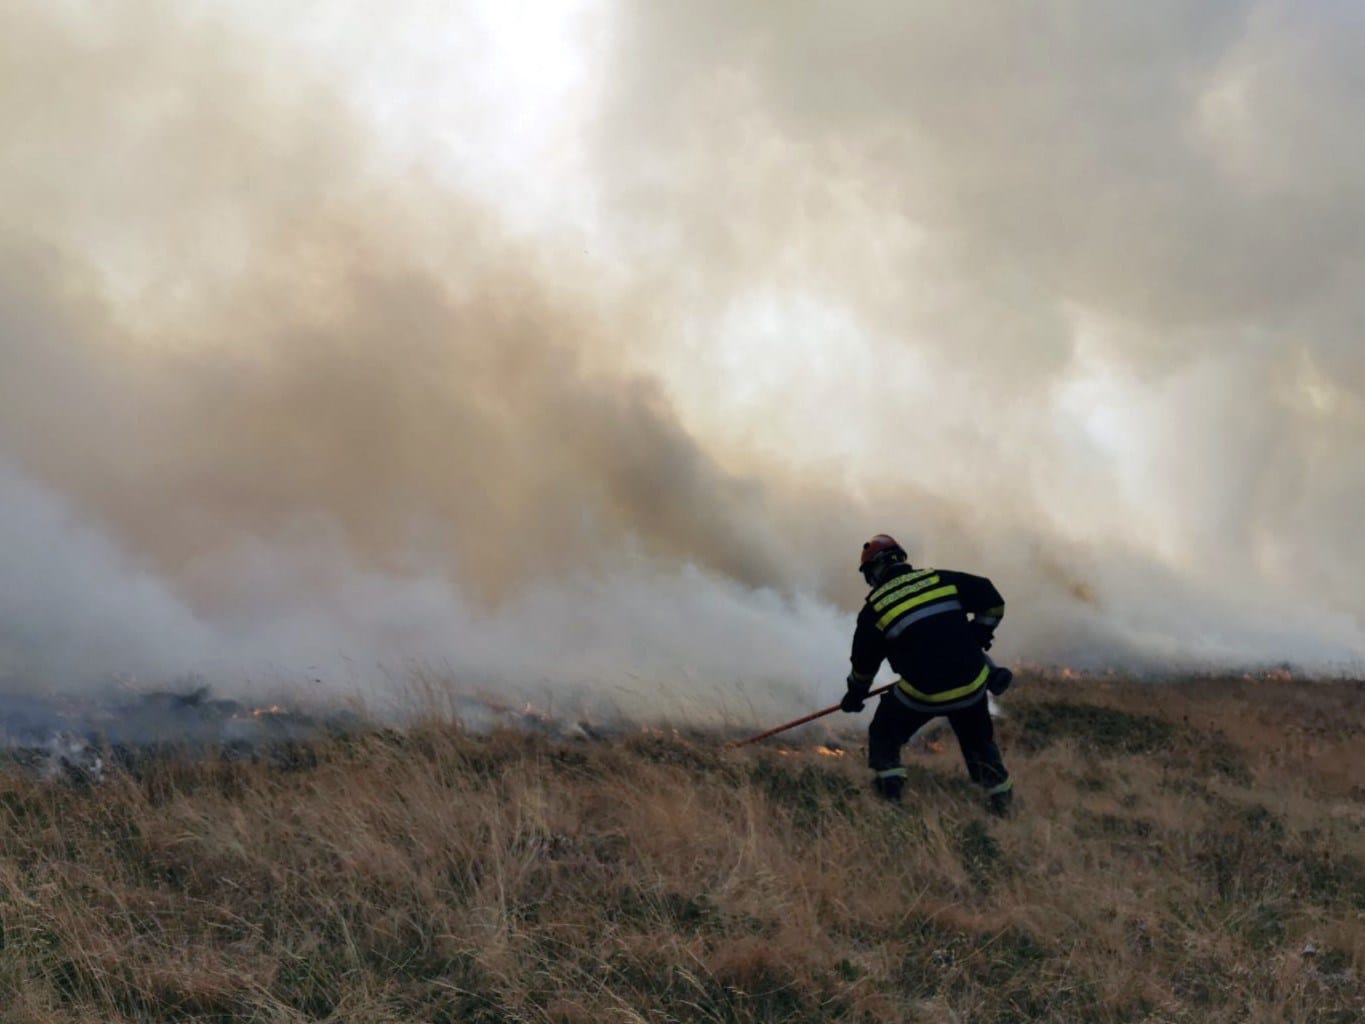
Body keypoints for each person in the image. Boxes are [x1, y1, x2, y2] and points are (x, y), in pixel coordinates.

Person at [841, 534, 1016, 815]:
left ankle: (891, 804)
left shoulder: (875, 610)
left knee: (884, 734)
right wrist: (978, 636)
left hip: (923, 693)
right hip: (971, 687)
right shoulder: (941, 579)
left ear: (874, 571)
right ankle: (1004, 809)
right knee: (980, 746)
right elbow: (993, 601)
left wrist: (855, 695)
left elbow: (863, 665)